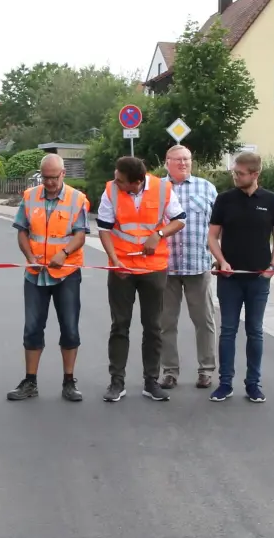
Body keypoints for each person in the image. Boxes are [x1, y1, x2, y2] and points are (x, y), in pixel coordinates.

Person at [97, 155, 185, 403]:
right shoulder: (111, 191)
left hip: (153, 268)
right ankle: (117, 382)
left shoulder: (161, 189)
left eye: (120, 180)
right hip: (122, 267)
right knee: (120, 325)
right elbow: (103, 228)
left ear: (136, 182)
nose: (115, 182)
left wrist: (158, 234)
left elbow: (180, 219)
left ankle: (151, 382)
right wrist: (114, 260)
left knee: (153, 326)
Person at [8, 154, 90, 402]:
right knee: (32, 329)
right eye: (45, 177)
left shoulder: (77, 199)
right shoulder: (30, 196)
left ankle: (69, 382)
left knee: (70, 328)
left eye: (54, 177)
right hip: (35, 275)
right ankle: (30, 382)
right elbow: (22, 231)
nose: (50, 182)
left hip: (66, 274)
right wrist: (29, 255)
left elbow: (80, 235)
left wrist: (64, 253)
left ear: (63, 174)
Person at [207, 151, 274, 402]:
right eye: (234, 172)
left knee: (255, 330)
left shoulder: (271, 201)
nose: (235, 176)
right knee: (228, 330)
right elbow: (212, 236)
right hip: (229, 278)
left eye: (240, 173)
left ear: (255, 174)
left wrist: (273, 266)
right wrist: (222, 261)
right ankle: (225, 383)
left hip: (258, 278)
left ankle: (253, 384)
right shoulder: (224, 200)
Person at [159, 144, 219, 391]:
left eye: (187, 159)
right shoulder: (157, 188)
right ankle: (170, 371)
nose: (183, 163)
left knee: (204, 321)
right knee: (166, 323)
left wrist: (218, 253)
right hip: (166, 266)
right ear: (167, 162)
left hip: (198, 264)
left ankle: (206, 370)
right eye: (178, 159)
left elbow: (218, 225)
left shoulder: (206, 187)